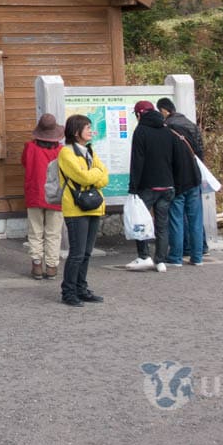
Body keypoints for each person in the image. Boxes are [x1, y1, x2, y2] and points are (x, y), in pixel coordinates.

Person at [125, 100, 198, 273]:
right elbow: (175, 160)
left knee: (140, 221)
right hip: (167, 186)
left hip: (147, 186)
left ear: (139, 114)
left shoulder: (141, 131)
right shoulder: (167, 130)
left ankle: (144, 256)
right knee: (162, 224)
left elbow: (137, 161)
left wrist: (133, 187)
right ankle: (160, 261)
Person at [58, 114, 109, 306]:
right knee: (77, 253)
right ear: (76, 131)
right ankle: (68, 291)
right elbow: (83, 177)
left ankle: (81, 288)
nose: (90, 131)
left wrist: (94, 175)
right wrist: (96, 174)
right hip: (76, 208)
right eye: (87, 127)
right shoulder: (66, 152)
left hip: (93, 206)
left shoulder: (89, 150)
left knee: (87, 253)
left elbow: (105, 177)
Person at [158, 98, 205, 267]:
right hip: (194, 178)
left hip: (177, 181)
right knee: (195, 219)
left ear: (163, 111)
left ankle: (176, 257)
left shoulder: (166, 129)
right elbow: (200, 150)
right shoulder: (191, 124)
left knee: (176, 218)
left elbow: (166, 158)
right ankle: (197, 257)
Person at [21, 114, 65, 279]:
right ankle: (52, 267)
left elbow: (25, 163)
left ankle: (37, 265)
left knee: (35, 231)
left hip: (34, 194)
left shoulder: (30, 147)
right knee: (53, 232)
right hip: (55, 195)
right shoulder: (62, 151)